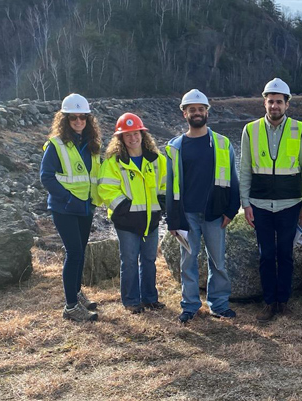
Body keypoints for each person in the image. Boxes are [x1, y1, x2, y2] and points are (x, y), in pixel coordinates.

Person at [166, 89, 240, 323]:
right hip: (187, 215)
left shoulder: (222, 143)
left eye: (200, 109)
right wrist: (173, 220)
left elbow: (233, 179)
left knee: (218, 261)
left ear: (207, 112)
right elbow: (170, 186)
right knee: (187, 261)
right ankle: (189, 305)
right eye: (192, 110)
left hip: (215, 214)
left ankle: (218, 304)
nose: (196, 113)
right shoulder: (175, 147)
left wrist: (231, 209)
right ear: (184, 114)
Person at [240, 78, 302, 322]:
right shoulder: (251, 129)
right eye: (270, 101)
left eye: (279, 102)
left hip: (289, 204)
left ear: (287, 104)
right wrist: (245, 203)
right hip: (259, 205)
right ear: (264, 103)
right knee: (266, 255)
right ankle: (269, 302)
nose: (274, 106)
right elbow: (245, 169)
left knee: (286, 254)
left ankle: (284, 301)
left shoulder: (300, 129)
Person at [39, 93, 102, 322]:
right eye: (73, 118)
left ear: (88, 119)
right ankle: (71, 307)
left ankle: (76, 293)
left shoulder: (91, 144)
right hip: (64, 209)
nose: (78, 122)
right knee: (74, 253)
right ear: (64, 120)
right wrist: (67, 199)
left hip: (85, 207)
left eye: (82, 117)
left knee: (80, 252)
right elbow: (46, 177)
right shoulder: (56, 145)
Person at [98, 113, 167, 314]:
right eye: (127, 135)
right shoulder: (113, 162)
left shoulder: (157, 160)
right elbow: (105, 189)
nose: (132, 138)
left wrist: (163, 204)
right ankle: (131, 301)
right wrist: (123, 208)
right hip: (126, 222)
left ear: (142, 135)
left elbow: (165, 183)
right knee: (128, 262)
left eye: (135, 133)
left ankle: (149, 299)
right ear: (120, 138)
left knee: (148, 261)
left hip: (151, 221)